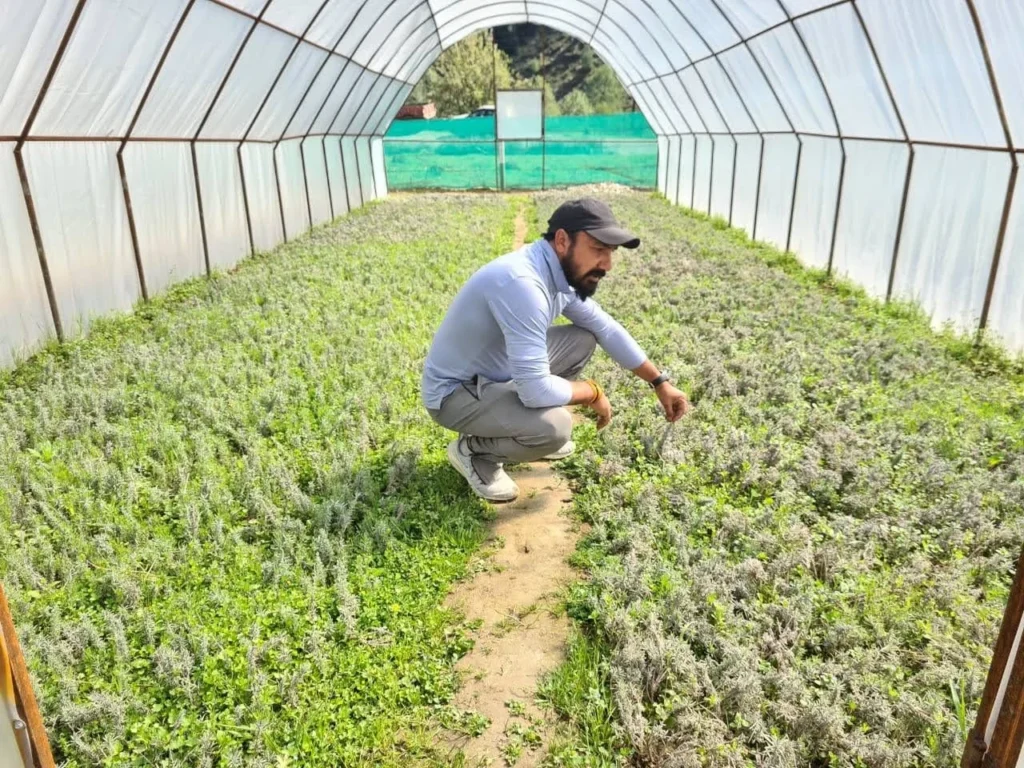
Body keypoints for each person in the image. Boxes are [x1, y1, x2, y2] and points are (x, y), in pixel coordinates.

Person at [421, 197, 691, 502]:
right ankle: (474, 451)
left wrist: (659, 382)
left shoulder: (556, 273)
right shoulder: (523, 284)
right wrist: (592, 392)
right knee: (555, 428)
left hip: (493, 374)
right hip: (453, 395)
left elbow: (606, 328)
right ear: (562, 241)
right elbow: (535, 390)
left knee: (582, 339)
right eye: (598, 250)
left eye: (610, 253)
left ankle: (517, 424)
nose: (607, 265)